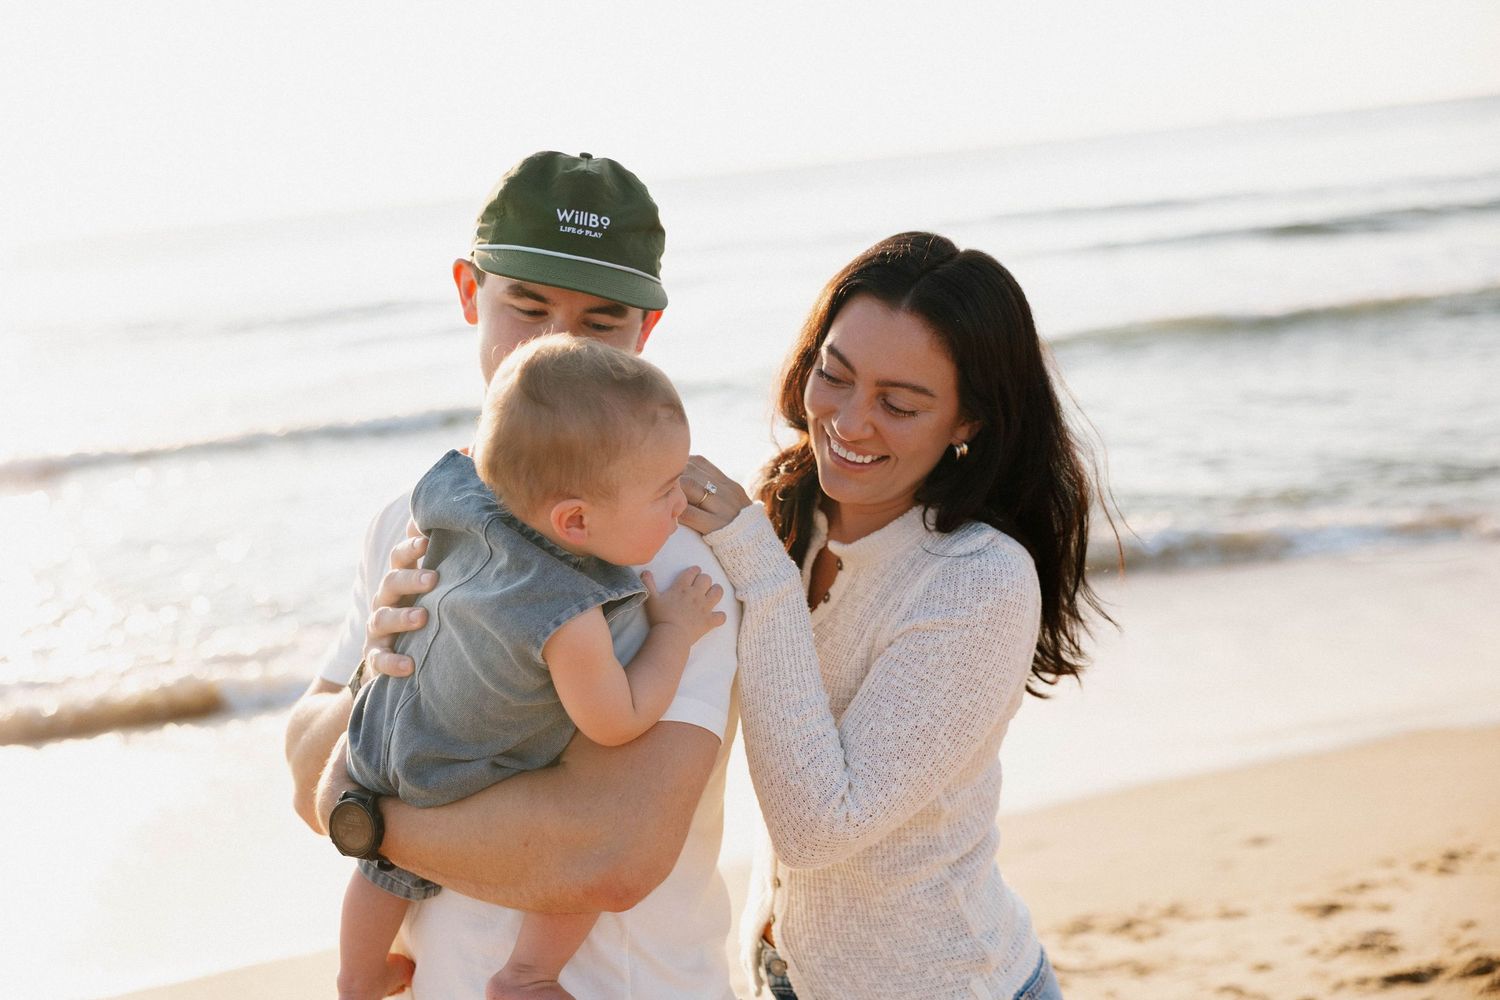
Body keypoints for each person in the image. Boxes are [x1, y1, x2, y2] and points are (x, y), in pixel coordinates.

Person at [283, 151, 742, 999]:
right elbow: (305, 766)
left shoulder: (674, 556)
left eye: (599, 324)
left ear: (645, 334)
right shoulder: (411, 518)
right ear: (468, 293)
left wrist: (368, 812)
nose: (558, 345)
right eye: (527, 307)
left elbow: (607, 856)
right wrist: (370, 680)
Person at [678, 231, 1111, 999]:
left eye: (899, 404)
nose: (848, 421)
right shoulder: (785, 511)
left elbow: (817, 830)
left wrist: (763, 574)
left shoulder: (979, 580)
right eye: (834, 376)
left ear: (968, 422)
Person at [336, 335, 726, 1000]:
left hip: (386, 739)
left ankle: (357, 973)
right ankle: (527, 974)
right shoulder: (568, 614)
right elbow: (617, 720)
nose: (681, 506)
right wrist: (673, 631)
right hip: (463, 773)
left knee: (381, 870)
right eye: (664, 492)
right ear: (574, 520)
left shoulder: (460, 502)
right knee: (577, 864)